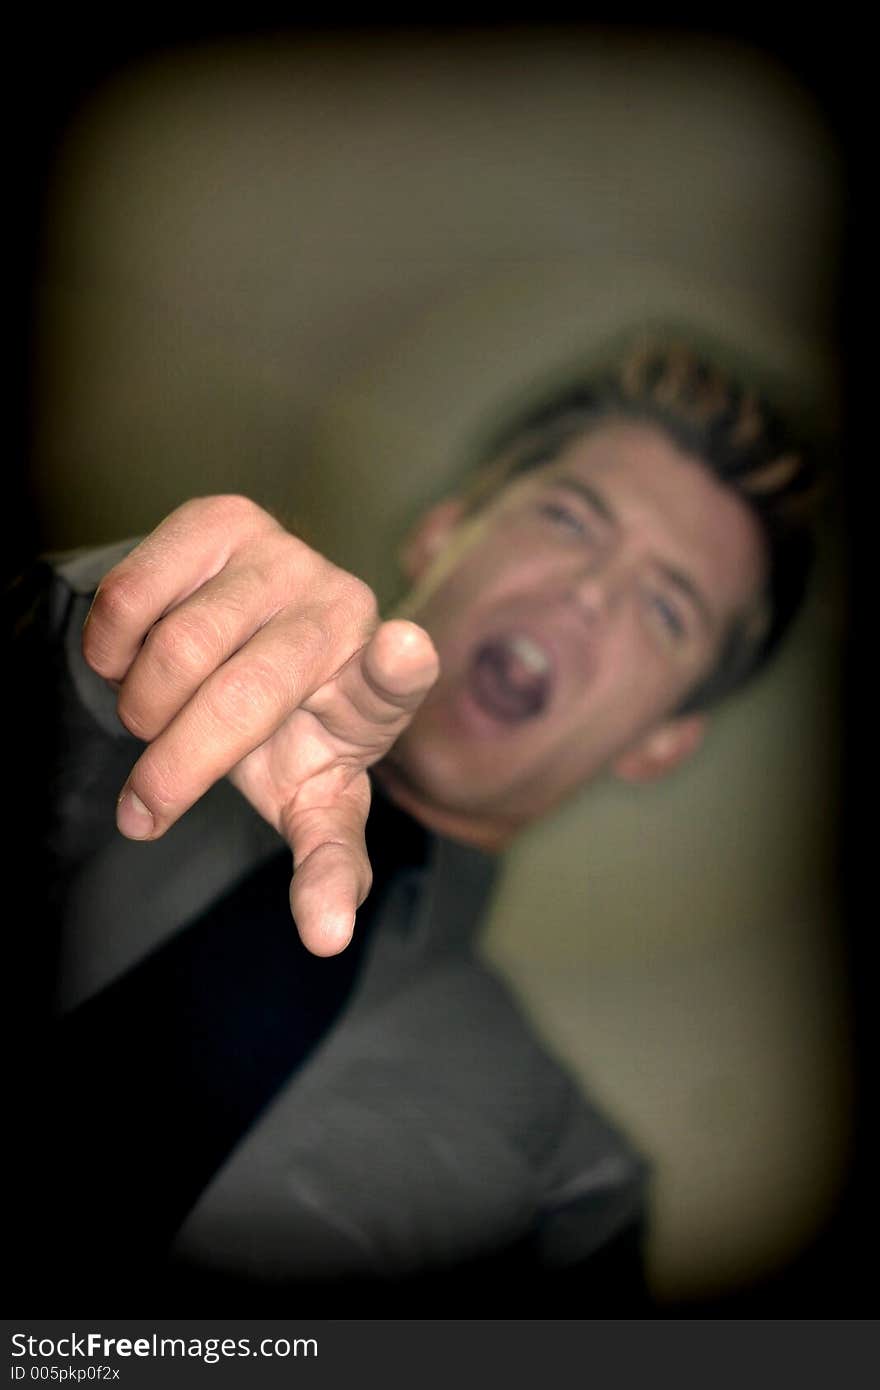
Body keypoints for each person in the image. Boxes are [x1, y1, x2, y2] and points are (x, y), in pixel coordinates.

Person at [9, 334, 821, 1315]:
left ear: (661, 741)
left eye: (664, 606)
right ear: (443, 531)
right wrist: (86, 638)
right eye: (569, 519)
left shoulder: (570, 1187)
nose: (587, 593)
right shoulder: (86, 701)